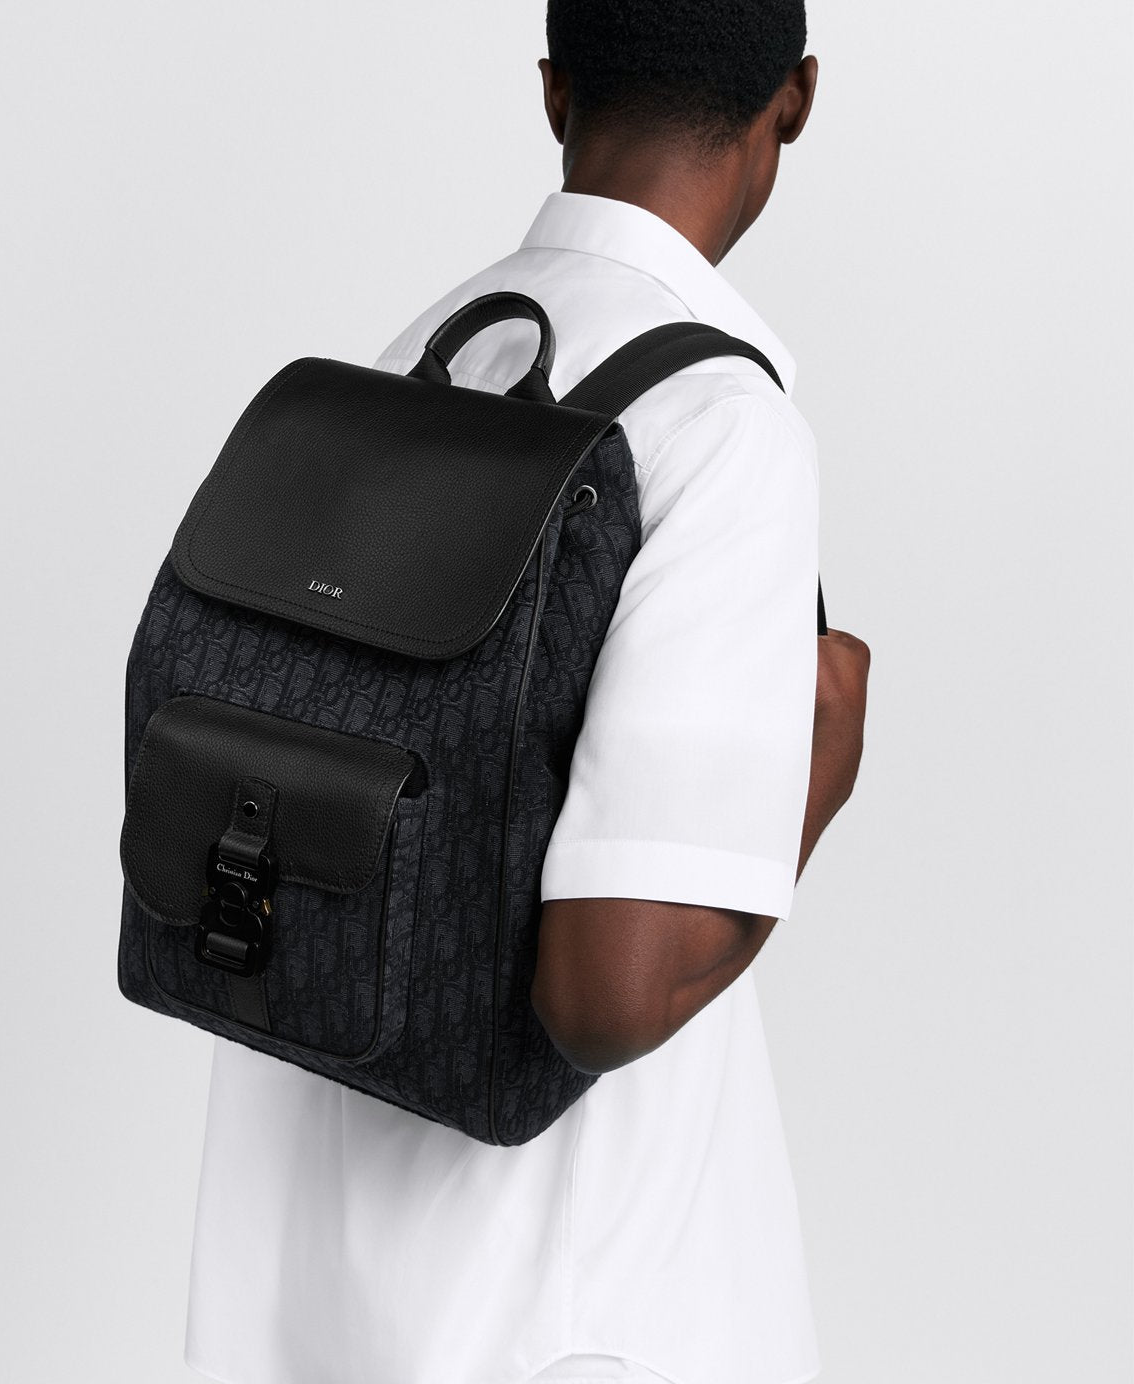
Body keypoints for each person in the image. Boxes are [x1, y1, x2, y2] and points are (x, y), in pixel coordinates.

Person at [184, 3, 870, 1382]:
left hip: (326, 1282)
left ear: (554, 91)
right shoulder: (722, 430)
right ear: (796, 101)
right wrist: (813, 785)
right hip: (571, 1310)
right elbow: (606, 991)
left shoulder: (415, 358)